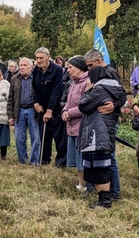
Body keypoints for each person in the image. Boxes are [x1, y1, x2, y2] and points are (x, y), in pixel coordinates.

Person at [78, 66, 124, 208]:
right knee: (101, 166)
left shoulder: (100, 89)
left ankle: (105, 201)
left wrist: (88, 89)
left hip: (97, 133)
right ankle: (105, 198)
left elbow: (83, 105)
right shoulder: (112, 87)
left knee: (99, 167)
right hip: (102, 131)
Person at [84, 48, 127, 201]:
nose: (88, 69)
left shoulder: (110, 72)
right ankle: (94, 186)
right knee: (94, 157)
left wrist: (114, 106)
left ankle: (114, 192)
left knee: (109, 157)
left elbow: (122, 95)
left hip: (107, 121)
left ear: (98, 61)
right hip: (95, 122)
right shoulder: (95, 74)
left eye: (90, 65)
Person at [32, 47, 66, 166]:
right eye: (37, 58)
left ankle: (61, 162)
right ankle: (44, 159)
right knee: (43, 135)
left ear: (48, 57)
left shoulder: (57, 70)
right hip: (41, 107)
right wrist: (35, 103)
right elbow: (34, 88)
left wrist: (50, 110)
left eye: (41, 58)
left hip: (56, 108)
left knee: (59, 136)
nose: (39, 60)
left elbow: (57, 91)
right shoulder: (35, 70)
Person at [61, 56, 89, 190]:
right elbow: (68, 101)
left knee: (82, 158)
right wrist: (64, 111)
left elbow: (86, 105)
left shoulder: (87, 82)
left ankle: (86, 184)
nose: (68, 70)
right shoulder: (73, 82)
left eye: (70, 67)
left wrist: (69, 113)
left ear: (79, 68)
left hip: (81, 125)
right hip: (71, 125)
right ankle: (80, 183)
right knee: (77, 158)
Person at [8, 57, 40, 165]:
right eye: (20, 65)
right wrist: (10, 116)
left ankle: (34, 161)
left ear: (31, 67)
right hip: (20, 110)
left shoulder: (36, 78)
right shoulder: (15, 79)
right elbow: (11, 98)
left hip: (32, 111)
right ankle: (22, 160)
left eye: (25, 65)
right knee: (19, 138)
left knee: (35, 137)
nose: (22, 67)